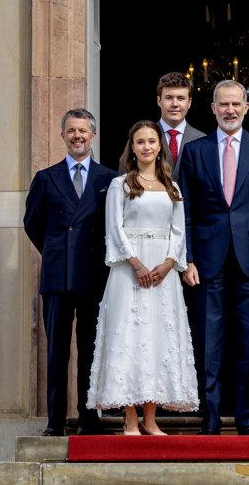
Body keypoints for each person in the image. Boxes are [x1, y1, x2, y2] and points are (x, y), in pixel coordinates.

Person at [179, 80, 249, 436]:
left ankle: (248, 421)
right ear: (212, 107)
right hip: (206, 262)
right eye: (223, 104)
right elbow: (185, 210)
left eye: (236, 104)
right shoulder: (195, 151)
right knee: (209, 342)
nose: (230, 110)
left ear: (247, 107)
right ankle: (210, 419)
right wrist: (186, 257)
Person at [87, 120, 199, 435]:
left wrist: (166, 264)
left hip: (163, 273)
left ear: (159, 146)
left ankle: (150, 418)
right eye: (141, 142)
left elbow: (179, 230)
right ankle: (130, 418)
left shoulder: (172, 187)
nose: (147, 147)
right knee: (130, 337)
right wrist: (136, 264)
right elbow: (114, 228)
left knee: (157, 338)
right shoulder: (120, 184)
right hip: (129, 270)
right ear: (132, 148)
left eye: (152, 141)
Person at [23, 108, 119, 436]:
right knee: (57, 353)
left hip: (94, 278)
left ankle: (89, 418)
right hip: (57, 279)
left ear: (93, 135)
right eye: (71, 131)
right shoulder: (46, 178)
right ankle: (55, 421)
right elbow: (32, 224)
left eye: (83, 131)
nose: (77, 136)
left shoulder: (109, 179)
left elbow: (114, 228)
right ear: (63, 136)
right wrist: (56, 252)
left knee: (91, 349)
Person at [120, 72, 205, 176]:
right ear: (159, 101)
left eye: (180, 98)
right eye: (169, 98)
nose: (174, 104)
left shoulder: (202, 140)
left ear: (189, 102)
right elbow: (124, 175)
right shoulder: (140, 136)